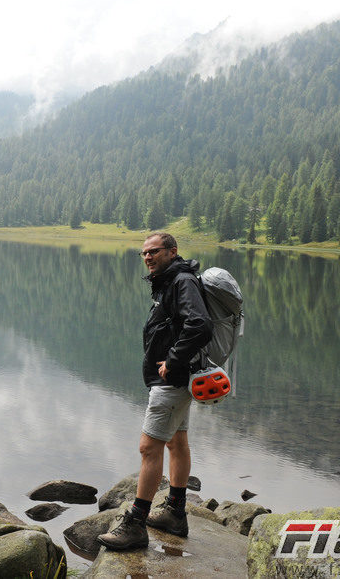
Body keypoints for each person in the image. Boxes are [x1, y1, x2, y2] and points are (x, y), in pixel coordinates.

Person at [97, 232, 213, 550]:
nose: (148, 257)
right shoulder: (169, 281)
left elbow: (200, 325)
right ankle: (175, 512)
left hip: (173, 381)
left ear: (172, 252)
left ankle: (135, 523)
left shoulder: (181, 282)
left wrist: (173, 361)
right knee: (177, 441)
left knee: (149, 448)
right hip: (180, 378)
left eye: (154, 252)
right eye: (144, 253)